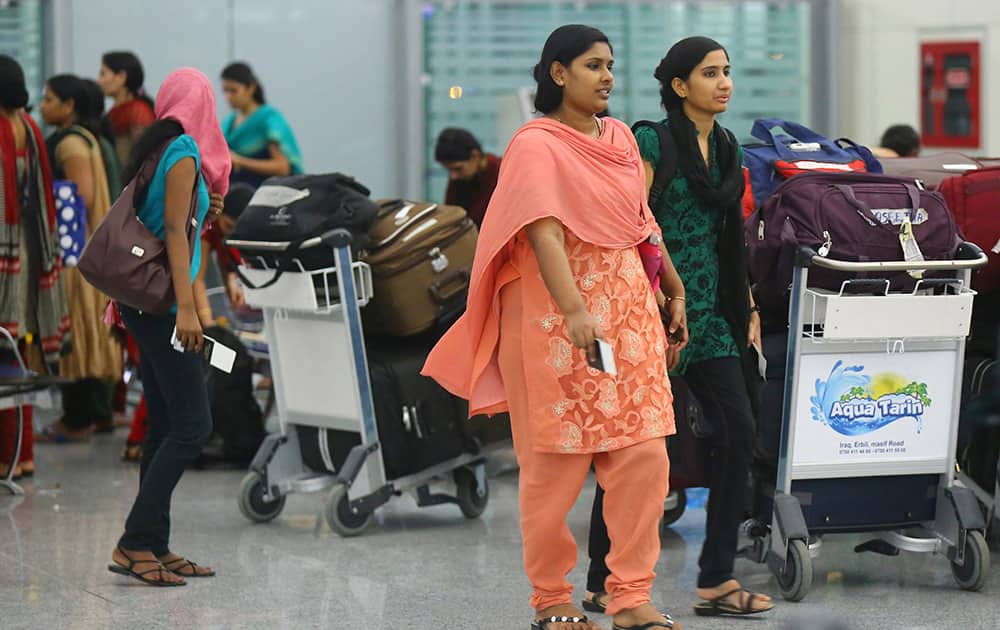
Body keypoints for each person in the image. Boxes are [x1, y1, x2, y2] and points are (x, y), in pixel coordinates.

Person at [423, 25, 688, 630]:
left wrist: (672, 287)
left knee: (643, 456)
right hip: (559, 318)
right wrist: (573, 311)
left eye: (611, 65)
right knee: (556, 465)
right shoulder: (535, 144)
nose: (607, 76)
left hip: (627, 310)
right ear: (558, 73)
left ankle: (630, 595)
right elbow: (541, 228)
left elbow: (641, 221)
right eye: (593, 65)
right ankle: (552, 597)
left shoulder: (620, 137)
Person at [585, 37, 773, 619]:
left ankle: (716, 579)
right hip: (650, 309)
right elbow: (630, 221)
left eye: (727, 71)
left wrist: (747, 306)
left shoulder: (726, 148)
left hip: (712, 315)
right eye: (709, 73)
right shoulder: (651, 140)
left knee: (740, 432)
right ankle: (601, 579)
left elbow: (728, 236)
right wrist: (651, 301)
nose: (723, 83)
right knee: (638, 450)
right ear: (678, 85)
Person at [107, 67, 229, 586]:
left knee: (162, 424)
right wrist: (187, 310)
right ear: (201, 105)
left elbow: (173, 222)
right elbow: (175, 240)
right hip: (163, 306)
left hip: (142, 302)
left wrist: (210, 207)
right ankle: (135, 541)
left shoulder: (159, 151)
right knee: (192, 426)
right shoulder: (182, 153)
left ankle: (154, 544)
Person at [35, 74, 123, 443]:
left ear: (69, 106)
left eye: (49, 99)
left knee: (78, 335)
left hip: (74, 252)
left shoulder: (70, 144)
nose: (42, 106)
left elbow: (81, 198)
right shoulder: (88, 139)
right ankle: (92, 415)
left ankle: (77, 419)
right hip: (89, 251)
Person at [0, 55, 72, 478]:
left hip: (4, 261)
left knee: (3, 359)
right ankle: (22, 455)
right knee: (19, 353)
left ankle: (7, 454)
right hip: (28, 256)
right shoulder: (28, 128)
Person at [220, 62, 302, 189]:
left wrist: (240, 161)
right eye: (225, 91)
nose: (228, 96)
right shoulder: (228, 123)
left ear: (250, 88)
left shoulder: (269, 120)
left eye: (233, 91)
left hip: (266, 196)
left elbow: (282, 168)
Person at [97, 51, 156, 170]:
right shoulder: (114, 112)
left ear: (121, 77)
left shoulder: (138, 112)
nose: (98, 81)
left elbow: (141, 158)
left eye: (103, 74)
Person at [435, 128, 501, 228]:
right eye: (449, 170)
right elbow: (451, 219)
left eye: (458, 168)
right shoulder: (459, 179)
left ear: (475, 156)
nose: (453, 176)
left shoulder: (502, 173)